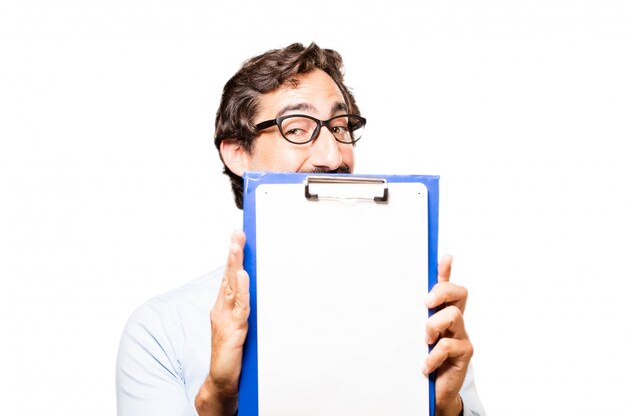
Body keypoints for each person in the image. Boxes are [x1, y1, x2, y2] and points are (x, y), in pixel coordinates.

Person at [116, 42, 486, 416]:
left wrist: (446, 409)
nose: (332, 156)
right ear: (237, 155)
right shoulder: (160, 331)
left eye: (340, 128)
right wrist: (218, 397)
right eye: (296, 129)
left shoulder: (423, 311)